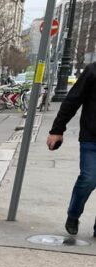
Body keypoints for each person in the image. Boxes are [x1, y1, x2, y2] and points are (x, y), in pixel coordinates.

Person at [47, 62, 96, 236]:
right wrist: (57, 129)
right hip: (92, 138)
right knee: (89, 179)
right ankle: (73, 215)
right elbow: (73, 100)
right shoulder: (93, 70)